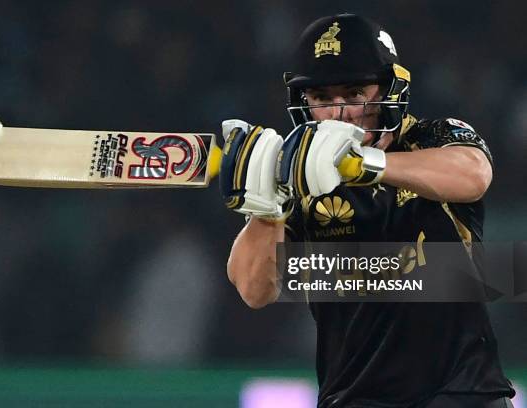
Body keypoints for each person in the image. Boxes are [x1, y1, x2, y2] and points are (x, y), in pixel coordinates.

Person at [219, 13, 515, 408]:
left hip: (462, 394)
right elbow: (254, 290)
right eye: (323, 98)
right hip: (354, 398)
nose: (340, 114)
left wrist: (364, 165)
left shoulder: (431, 137)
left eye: (355, 93)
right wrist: (267, 206)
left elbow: (474, 174)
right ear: (304, 102)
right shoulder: (299, 176)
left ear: (389, 90)